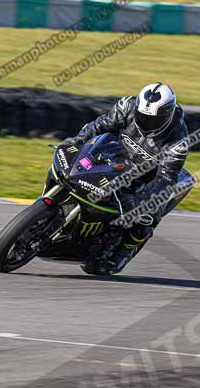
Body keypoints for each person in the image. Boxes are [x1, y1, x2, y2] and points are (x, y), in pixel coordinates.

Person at [62, 82, 190, 274]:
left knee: (147, 215)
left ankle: (122, 252)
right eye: (143, 117)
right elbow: (100, 125)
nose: (146, 123)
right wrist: (77, 140)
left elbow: (166, 179)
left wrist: (142, 200)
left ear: (168, 114)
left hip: (148, 176)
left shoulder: (178, 140)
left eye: (152, 119)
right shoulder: (127, 106)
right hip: (116, 156)